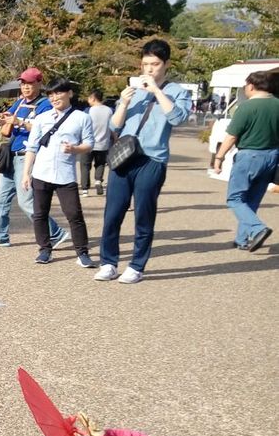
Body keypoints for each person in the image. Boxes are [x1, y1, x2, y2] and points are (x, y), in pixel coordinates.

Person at [96, 39, 192, 284]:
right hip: (124, 156)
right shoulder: (134, 90)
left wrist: (157, 91)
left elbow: (177, 118)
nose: (149, 69)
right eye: (145, 64)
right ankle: (108, 262)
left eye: (155, 64)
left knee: (143, 214)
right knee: (113, 213)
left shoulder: (177, 92)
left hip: (152, 158)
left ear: (166, 64)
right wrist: (125, 101)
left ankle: (137, 265)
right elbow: (114, 125)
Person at [0, 68, 68, 248]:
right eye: (23, 83)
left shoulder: (45, 104)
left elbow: (44, 128)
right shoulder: (19, 103)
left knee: (26, 201)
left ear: (39, 84)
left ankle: (55, 233)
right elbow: (8, 120)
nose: (25, 87)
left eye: (30, 83)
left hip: (26, 156)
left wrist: (19, 122)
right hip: (11, 156)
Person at [21, 79, 96, 267]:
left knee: (74, 214)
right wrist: (26, 173)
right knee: (40, 214)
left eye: (58, 93)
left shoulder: (82, 117)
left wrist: (75, 149)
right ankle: (45, 249)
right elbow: (32, 147)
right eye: (51, 94)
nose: (54, 97)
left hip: (65, 174)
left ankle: (82, 253)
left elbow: (89, 144)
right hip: (41, 172)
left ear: (69, 93)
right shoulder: (42, 118)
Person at [213, 70, 279, 252]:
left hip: (249, 156)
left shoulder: (247, 107)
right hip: (272, 156)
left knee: (235, 198)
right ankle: (243, 239)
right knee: (252, 199)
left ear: (251, 85)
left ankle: (258, 228)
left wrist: (219, 157)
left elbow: (232, 136)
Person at [79, 90, 114, 196]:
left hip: (88, 144)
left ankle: (85, 189)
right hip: (104, 143)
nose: (88, 101)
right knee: (100, 164)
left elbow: (82, 126)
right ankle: (98, 181)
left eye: (89, 98)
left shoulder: (88, 111)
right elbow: (113, 126)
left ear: (93, 98)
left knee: (85, 165)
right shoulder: (110, 111)